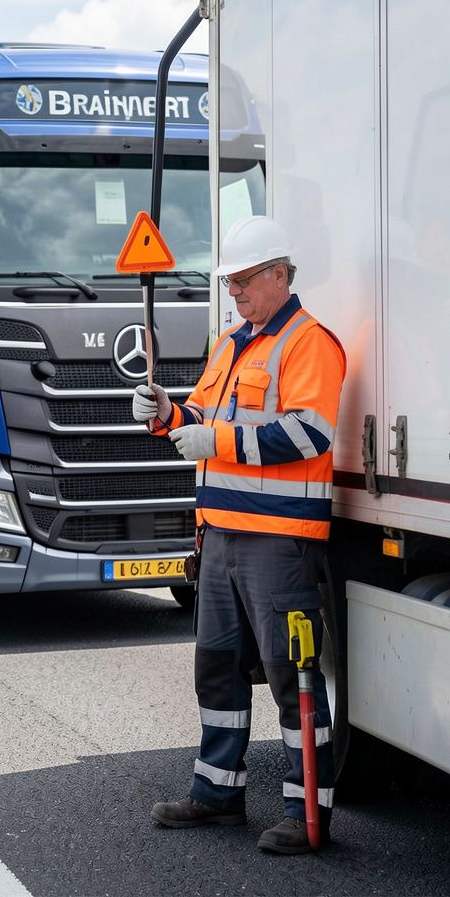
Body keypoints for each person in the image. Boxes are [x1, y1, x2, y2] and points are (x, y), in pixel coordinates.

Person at [133, 216, 346, 855]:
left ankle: (306, 813)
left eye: (245, 280)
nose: (235, 293)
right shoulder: (230, 344)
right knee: (218, 670)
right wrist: (168, 414)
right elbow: (202, 413)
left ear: (280, 273)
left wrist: (213, 439)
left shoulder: (311, 343)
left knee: (291, 674)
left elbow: (309, 433)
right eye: (230, 283)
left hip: (278, 542)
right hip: (222, 534)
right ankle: (217, 794)